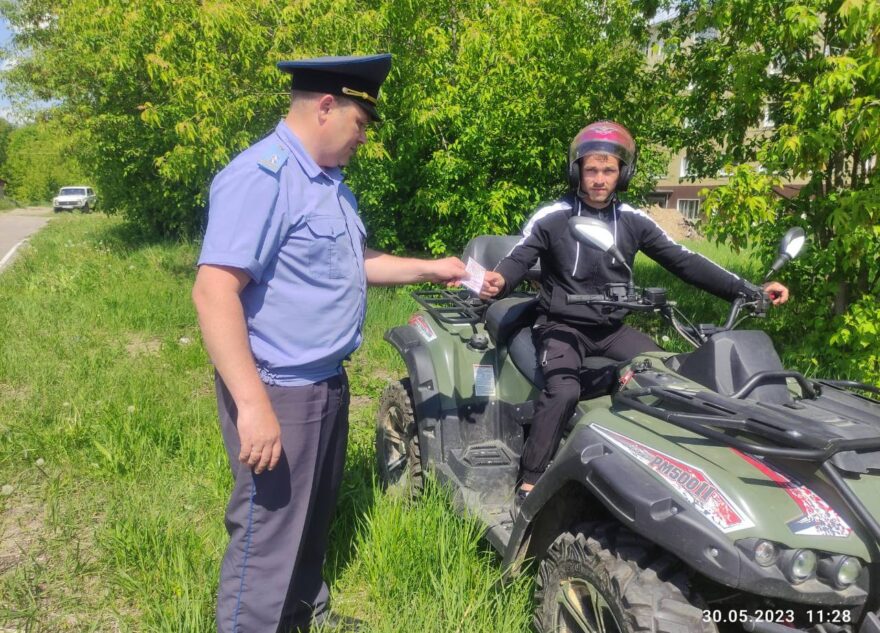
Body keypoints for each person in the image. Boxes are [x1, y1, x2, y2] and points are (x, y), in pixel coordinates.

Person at [192, 53, 466, 633]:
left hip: (325, 383)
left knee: (312, 515)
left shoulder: (328, 185)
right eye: (360, 125)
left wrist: (434, 269)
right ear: (325, 107)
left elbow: (353, 262)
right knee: (266, 532)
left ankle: (301, 615)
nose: (362, 139)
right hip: (277, 389)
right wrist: (253, 406)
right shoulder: (261, 177)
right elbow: (214, 292)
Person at [480, 120, 789, 505]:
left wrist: (749, 290)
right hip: (561, 325)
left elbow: (685, 262)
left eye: (608, 170)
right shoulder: (554, 217)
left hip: (611, 328)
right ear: (576, 170)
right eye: (591, 169)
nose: (598, 179)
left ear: (622, 173)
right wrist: (499, 280)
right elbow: (519, 257)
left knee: (668, 374)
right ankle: (529, 482)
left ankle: (677, 472)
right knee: (564, 389)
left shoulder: (633, 220)